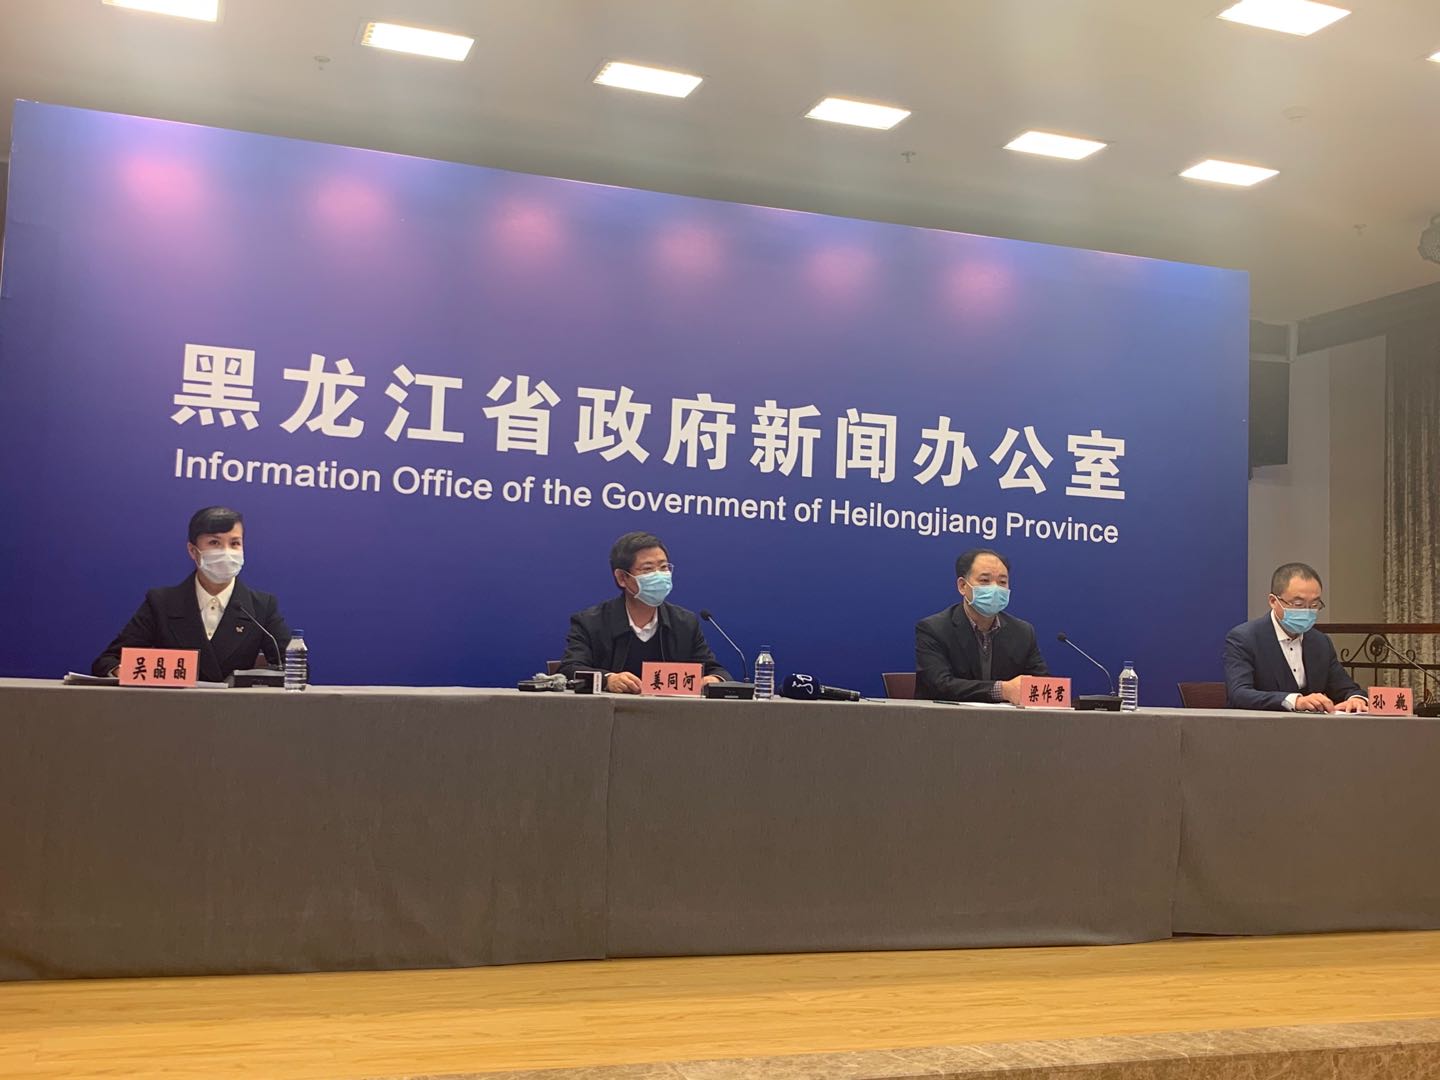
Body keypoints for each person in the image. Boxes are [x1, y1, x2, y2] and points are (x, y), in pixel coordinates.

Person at [91, 506, 291, 682]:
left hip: (236, 710)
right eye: (214, 543)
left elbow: (294, 670)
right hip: (174, 709)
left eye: (235, 543)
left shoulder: (261, 606)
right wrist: (135, 674)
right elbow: (107, 662)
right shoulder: (161, 603)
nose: (226, 552)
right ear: (193, 551)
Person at [559, 531, 730, 693]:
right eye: (648, 569)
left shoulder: (685, 623)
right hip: (610, 712)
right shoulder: (591, 622)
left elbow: (716, 671)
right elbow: (569, 669)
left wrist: (713, 679)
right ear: (622, 578)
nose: (659, 575)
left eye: (663, 567)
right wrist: (607, 680)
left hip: (672, 712)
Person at [1223, 562, 1367, 713]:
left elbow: (1346, 688)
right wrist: (1295, 701)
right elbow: (1239, 694)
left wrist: (1356, 699)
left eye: (1314, 605)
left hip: (1313, 727)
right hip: (1263, 725)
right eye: (1298, 604)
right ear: (1273, 601)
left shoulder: (1320, 642)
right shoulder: (1244, 639)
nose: (1307, 611)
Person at [915, 548, 1048, 703]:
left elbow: (1043, 686)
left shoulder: (1023, 632)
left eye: (1002, 582)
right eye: (985, 581)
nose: (995, 588)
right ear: (962, 586)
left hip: (1007, 718)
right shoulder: (934, 629)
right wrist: (1002, 690)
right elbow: (940, 686)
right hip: (947, 717)